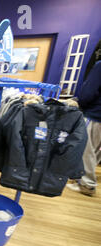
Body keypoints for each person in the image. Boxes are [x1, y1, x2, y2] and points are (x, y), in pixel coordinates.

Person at [66, 43, 101, 196]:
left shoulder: (100, 66)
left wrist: (81, 102)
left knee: (87, 149)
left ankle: (87, 184)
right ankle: (84, 180)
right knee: (95, 150)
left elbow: (89, 91)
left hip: (95, 113)